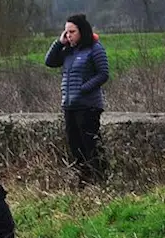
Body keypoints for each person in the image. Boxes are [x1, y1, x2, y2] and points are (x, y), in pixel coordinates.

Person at [45, 14, 110, 187]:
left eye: (72, 32)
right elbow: (49, 62)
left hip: (88, 106)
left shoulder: (95, 48)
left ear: (82, 31)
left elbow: (103, 74)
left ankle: (100, 179)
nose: (69, 35)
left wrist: (84, 88)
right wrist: (59, 43)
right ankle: (84, 180)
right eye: (66, 32)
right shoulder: (68, 51)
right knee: (75, 146)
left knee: (91, 145)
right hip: (69, 105)